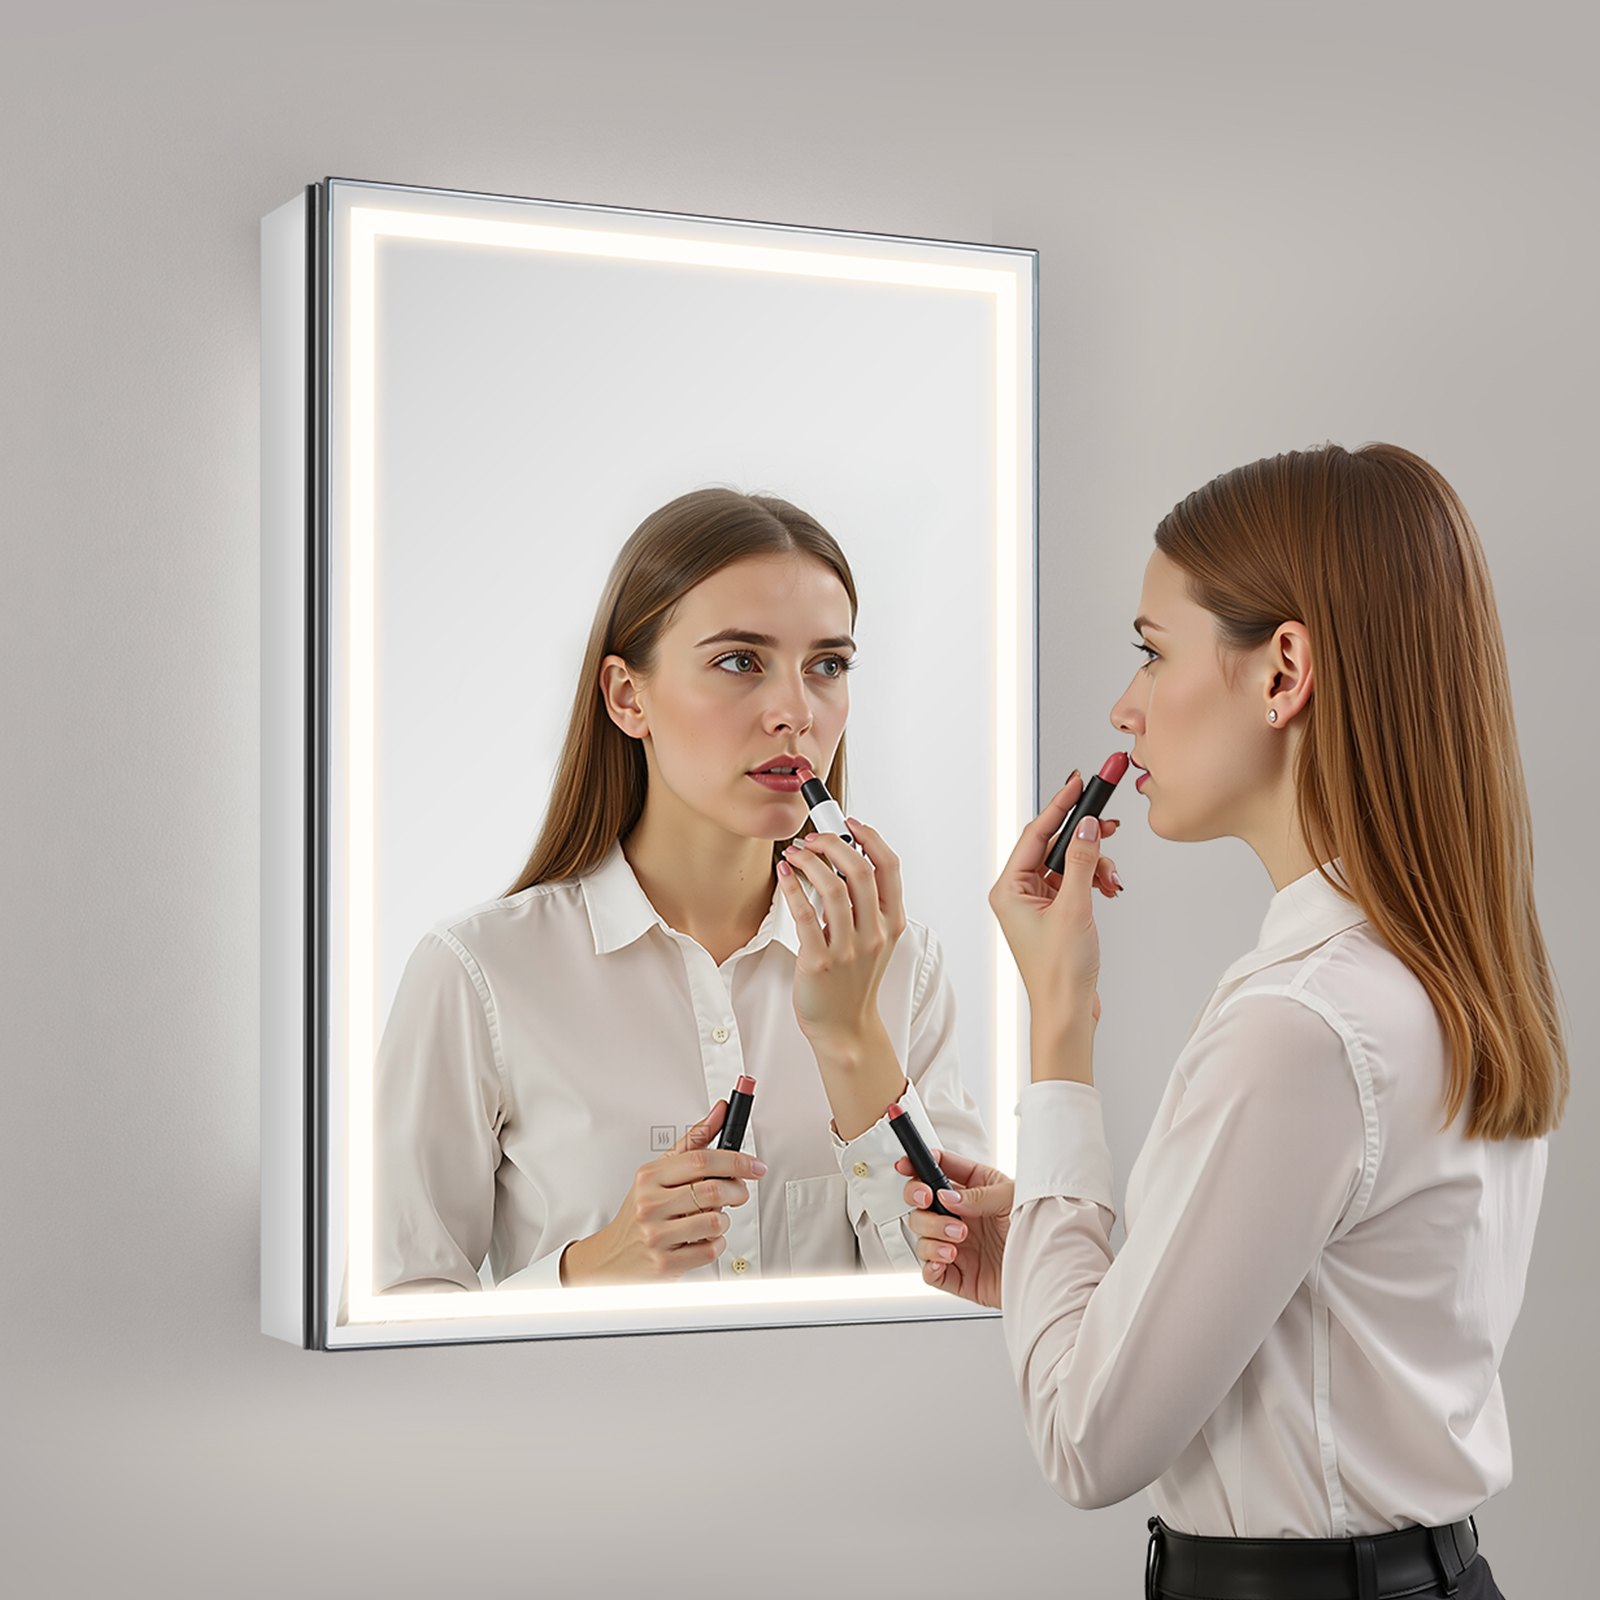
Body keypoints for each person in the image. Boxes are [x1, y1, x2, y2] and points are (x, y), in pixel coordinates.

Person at [889, 443, 1563, 1598]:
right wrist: (1064, 1263)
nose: (1125, 706)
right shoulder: (1423, 971)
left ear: (1281, 670)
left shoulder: (1299, 1026)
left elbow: (1085, 1443)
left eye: (1153, 651)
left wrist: (1060, 1014)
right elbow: (1317, 1328)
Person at [370, 486, 993, 1292]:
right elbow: (401, 1315)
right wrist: (591, 1267)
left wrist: (853, 1044)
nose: (795, 712)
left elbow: (959, 1300)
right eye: (740, 661)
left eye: (827, 666)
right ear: (628, 697)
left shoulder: (902, 968)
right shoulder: (479, 974)